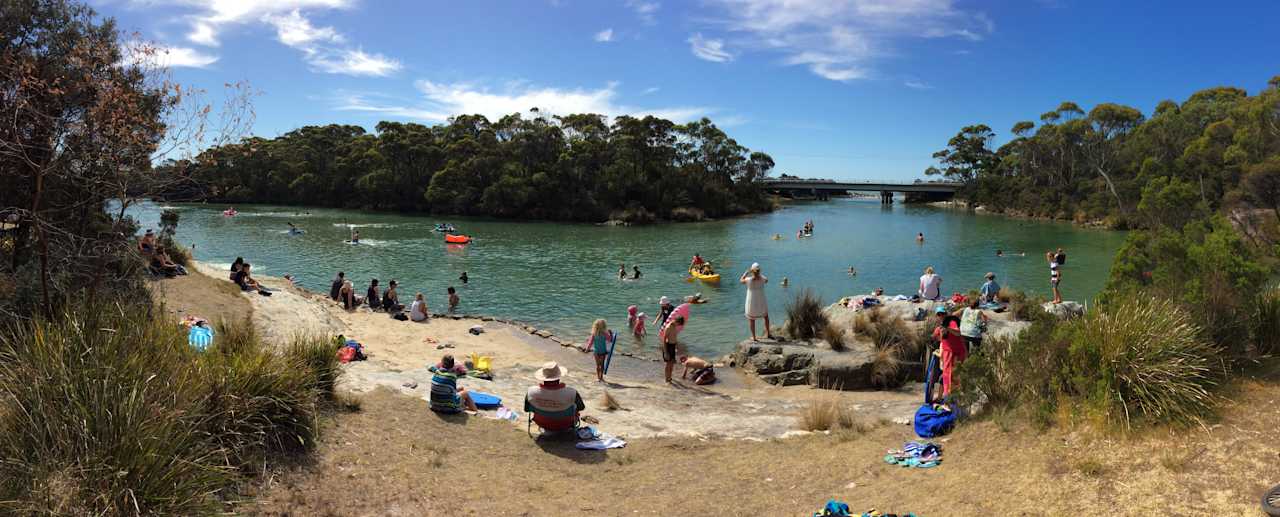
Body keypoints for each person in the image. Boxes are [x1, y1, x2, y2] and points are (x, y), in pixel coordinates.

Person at [524, 362, 585, 433]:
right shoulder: (572, 392)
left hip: (542, 422)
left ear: (543, 378)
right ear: (559, 377)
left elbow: (526, 409)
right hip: (566, 424)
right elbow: (581, 407)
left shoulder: (531, 392)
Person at [931, 306, 966, 399]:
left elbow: (958, 332)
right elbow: (935, 336)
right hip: (947, 353)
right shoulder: (940, 327)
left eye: (942, 314)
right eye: (939, 314)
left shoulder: (951, 322)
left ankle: (952, 399)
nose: (941, 316)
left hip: (956, 353)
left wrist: (948, 328)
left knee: (954, 376)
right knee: (947, 376)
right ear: (937, 316)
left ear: (946, 314)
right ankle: (946, 398)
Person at [740, 262, 773, 341]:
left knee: (751, 319)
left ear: (752, 271)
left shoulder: (748, 280)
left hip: (751, 300)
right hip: (761, 299)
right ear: (759, 271)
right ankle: (768, 333)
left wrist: (746, 273)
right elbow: (766, 280)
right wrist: (759, 274)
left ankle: (754, 337)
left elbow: (741, 280)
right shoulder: (762, 279)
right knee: (766, 317)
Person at [662, 316, 686, 383]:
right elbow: (664, 339)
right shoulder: (668, 327)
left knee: (672, 363)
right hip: (668, 346)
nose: (678, 326)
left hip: (672, 346)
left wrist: (675, 348)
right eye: (678, 324)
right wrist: (666, 352)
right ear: (676, 321)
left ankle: (670, 378)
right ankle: (667, 379)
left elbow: (674, 337)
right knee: (668, 364)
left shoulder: (674, 326)